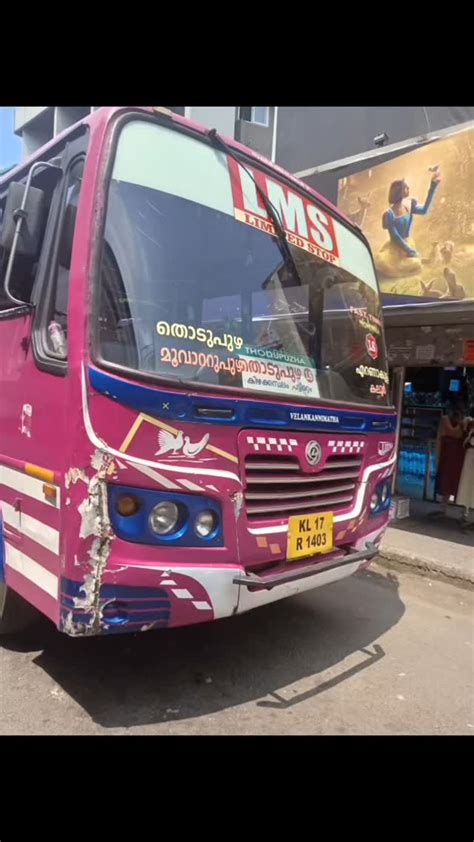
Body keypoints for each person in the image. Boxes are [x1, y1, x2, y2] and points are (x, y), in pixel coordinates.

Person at [374, 171, 440, 278]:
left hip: (408, 242)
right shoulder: (389, 214)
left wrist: (433, 186)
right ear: (399, 192)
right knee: (412, 264)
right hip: (395, 249)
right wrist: (410, 250)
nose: (408, 188)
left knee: (416, 263)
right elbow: (395, 237)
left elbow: (424, 210)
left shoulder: (409, 204)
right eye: (405, 188)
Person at [433, 401, 469, 517]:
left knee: (452, 481)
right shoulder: (460, 422)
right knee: (448, 481)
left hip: (453, 455)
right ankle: (446, 508)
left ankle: (446, 508)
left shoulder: (464, 422)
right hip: (452, 455)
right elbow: (454, 434)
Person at [456, 413, 474, 528]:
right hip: (470, 454)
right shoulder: (470, 423)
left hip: (470, 454)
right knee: (467, 484)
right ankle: (466, 513)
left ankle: (467, 514)